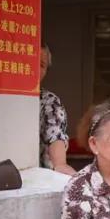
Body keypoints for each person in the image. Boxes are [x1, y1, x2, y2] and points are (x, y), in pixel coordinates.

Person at [39, 45, 74, 176]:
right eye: (29, 62)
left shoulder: (49, 101)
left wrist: (60, 164)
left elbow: (55, 134)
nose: (34, 69)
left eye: (41, 65)